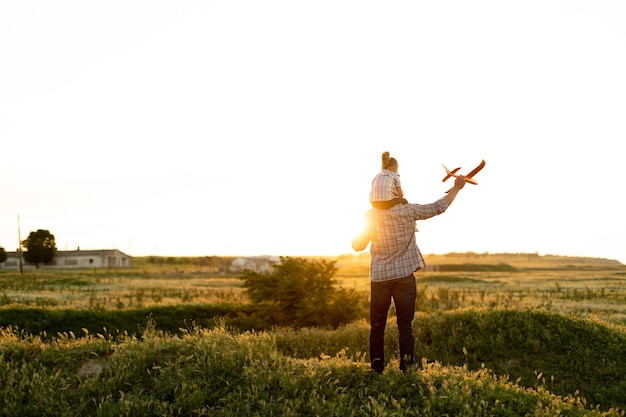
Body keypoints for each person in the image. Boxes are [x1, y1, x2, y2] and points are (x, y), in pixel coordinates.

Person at [353, 174, 466, 373]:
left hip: (379, 279)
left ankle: (377, 368)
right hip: (404, 278)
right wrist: (456, 188)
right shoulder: (408, 211)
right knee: (405, 325)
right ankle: (407, 368)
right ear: (394, 191)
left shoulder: (371, 216)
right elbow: (438, 207)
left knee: (377, 325)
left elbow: (357, 245)